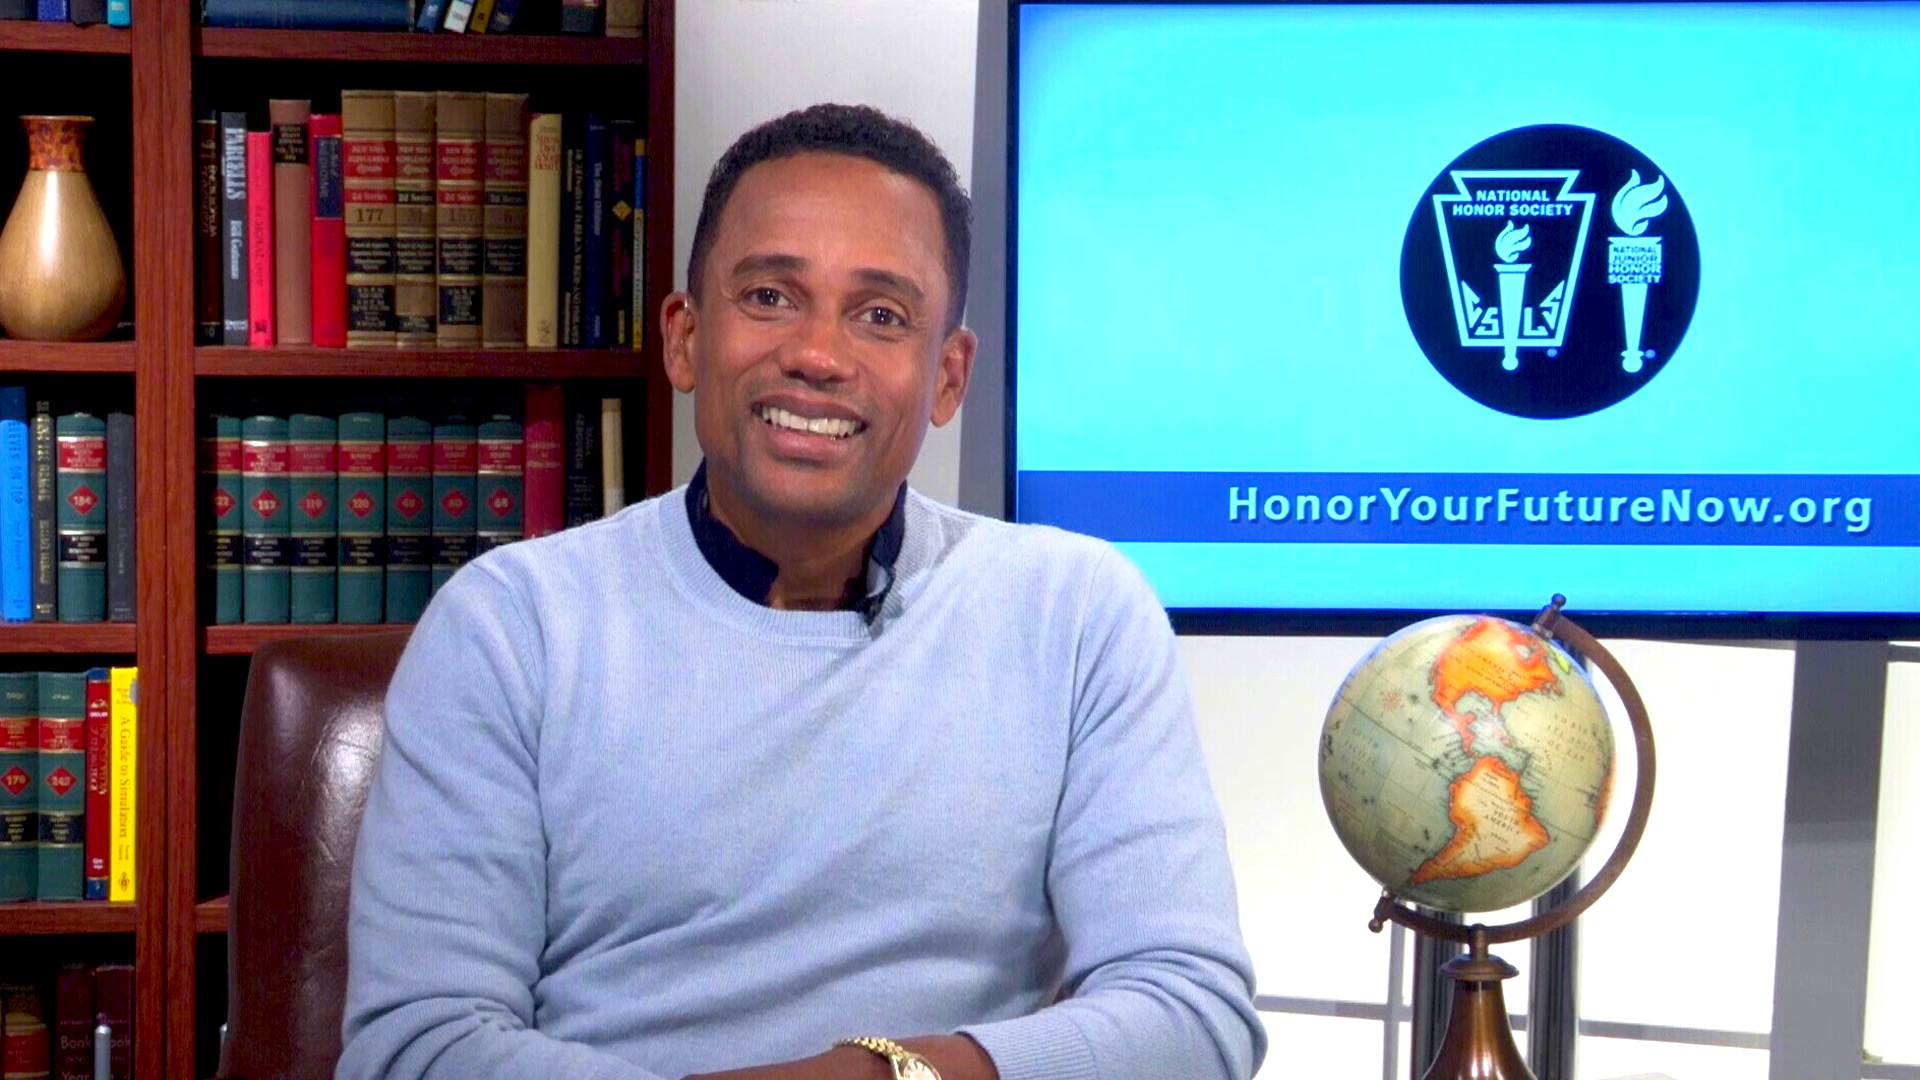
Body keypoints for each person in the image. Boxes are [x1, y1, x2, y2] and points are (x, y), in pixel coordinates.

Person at [336, 103, 1266, 1080]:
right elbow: (415, 1052)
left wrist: (885, 1075)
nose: (819, 355)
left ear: (947, 378)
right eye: (771, 296)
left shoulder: (1076, 614)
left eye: (881, 315)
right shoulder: (510, 626)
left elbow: (1190, 1016)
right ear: (685, 337)